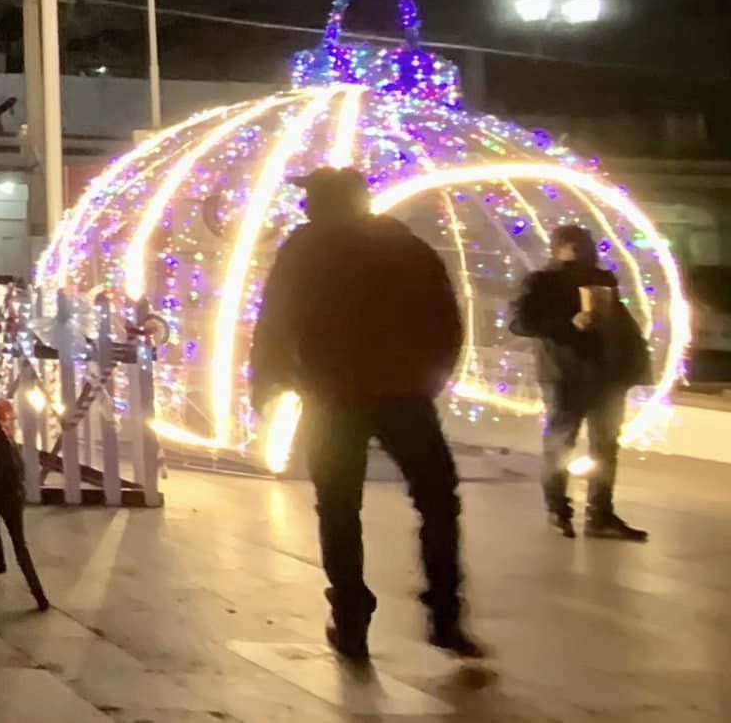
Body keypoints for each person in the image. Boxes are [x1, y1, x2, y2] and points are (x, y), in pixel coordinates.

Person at [251, 166, 483, 667]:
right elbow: (445, 313)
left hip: (333, 396)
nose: (303, 205)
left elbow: (276, 315)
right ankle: (444, 611)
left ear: (329, 201)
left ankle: (352, 615)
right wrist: (431, 374)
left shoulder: (306, 248)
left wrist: (268, 378)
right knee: (438, 501)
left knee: (338, 507)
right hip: (403, 394)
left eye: (310, 197)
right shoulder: (404, 245)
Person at [510, 223, 651, 541]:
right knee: (561, 443)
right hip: (565, 374)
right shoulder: (541, 281)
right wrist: (569, 325)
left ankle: (600, 513)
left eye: (589, 247)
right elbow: (520, 323)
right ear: (561, 248)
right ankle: (559, 510)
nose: (586, 254)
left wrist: (629, 364)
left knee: (604, 446)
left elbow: (620, 324)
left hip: (606, 375)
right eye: (579, 248)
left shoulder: (602, 280)